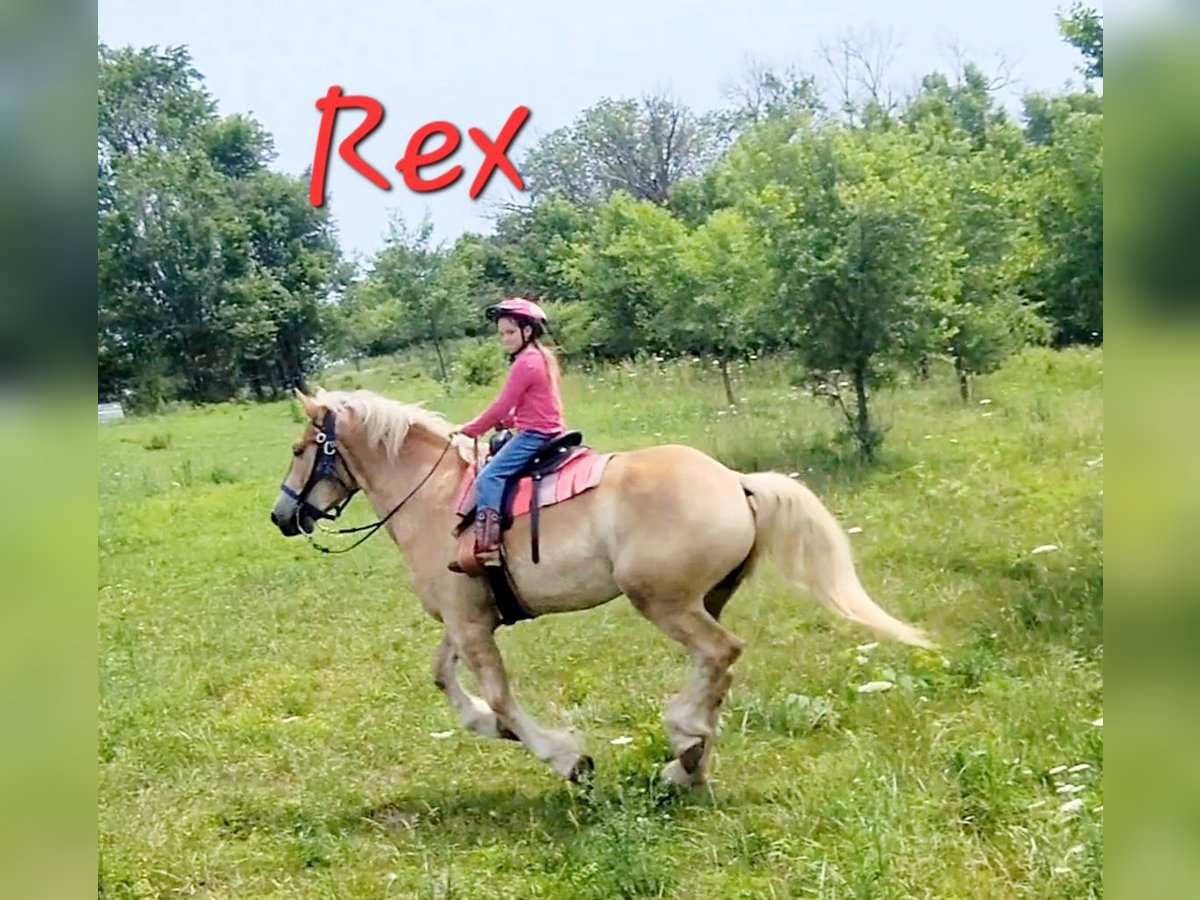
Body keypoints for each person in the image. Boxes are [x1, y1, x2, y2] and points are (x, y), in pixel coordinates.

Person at [454, 298, 565, 568]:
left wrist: (470, 429)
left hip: (535, 435)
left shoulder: (525, 363)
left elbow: (500, 405)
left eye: (510, 333)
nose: (505, 338)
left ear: (528, 332)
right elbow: (535, 405)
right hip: (544, 428)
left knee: (489, 478)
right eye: (502, 333)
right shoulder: (540, 358)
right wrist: (511, 420)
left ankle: (488, 547)